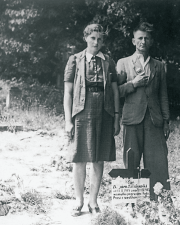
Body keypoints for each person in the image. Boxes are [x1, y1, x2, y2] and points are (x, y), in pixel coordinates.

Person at [63, 24, 120, 216]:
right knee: (79, 158)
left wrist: (116, 117)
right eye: (93, 38)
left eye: (100, 39)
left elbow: (114, 91)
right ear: (86, 38)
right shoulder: (75, 60)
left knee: (98, 158)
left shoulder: (108, 62)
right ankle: (78, 201)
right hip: (81, 112)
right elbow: (68, 93)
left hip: (104, 112)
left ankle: (93, 202)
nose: (96, 42)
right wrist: (68, 120)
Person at [117, 22, 170, 200]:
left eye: (146, 38)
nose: (143, 41)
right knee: (131, 159)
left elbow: (163, 95)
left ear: (151, 41)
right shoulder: (123, 63)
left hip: (154, 120)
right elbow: (115, 92)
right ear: (133, 41)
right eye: (140, 38)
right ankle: (131, 199)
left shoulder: (159, 66)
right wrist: (133, 84)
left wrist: (166, 120)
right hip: (132, 118)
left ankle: (159, 198)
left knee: (157, 161)